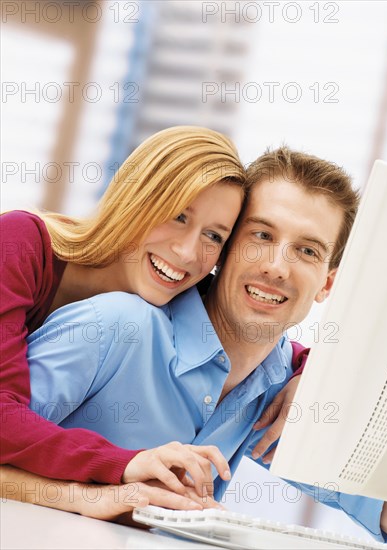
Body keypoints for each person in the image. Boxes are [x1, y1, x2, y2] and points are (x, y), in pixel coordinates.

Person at [3, 147, 387, 544]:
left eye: (307, 250)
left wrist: (329, 376)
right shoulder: (112, 327)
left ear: (327, 283)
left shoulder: (282, 386)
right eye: (262, 235)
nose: (276, 266)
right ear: (224, 251)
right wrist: (90, 496)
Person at [0, 126, 247, 507]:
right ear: (137, 199)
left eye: (213, 236)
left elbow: (259, 336)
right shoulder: (18, 244)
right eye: (178, 216)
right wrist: (126, 463)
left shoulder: (174, 297)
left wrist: (303, 370)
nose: (186, 253)